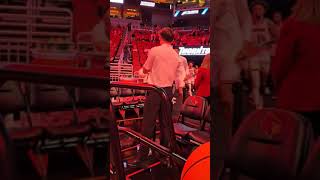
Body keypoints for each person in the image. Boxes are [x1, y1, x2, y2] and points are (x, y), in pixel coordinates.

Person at [271, 0, 320, 137]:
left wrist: (277, 86)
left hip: (295, 100)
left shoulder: (294, 25)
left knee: (294, 149)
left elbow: (280, 64)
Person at [136, 27, 184, 159]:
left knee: (148, 124)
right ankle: (163, 152)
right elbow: (180, 75)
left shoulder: (155, 51)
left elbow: (146, 69)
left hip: (155, 91)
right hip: (168, 92)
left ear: (160, 37)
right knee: (165, 123)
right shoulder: (176, 55)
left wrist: (140, 72)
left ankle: (143, 156)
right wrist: (180, 87)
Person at [247, 0, 277, 108]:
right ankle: (258, 107)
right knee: (256, 83)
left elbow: (277, 37)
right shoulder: (248, 23)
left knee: (263, 81)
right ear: (252, 11)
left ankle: (260, 90)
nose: (258, 11)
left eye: (260, 9)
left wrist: (268, 42)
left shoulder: (268, 22)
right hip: (253, 56)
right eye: (255, 9)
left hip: (265, 56)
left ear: (264, 11)